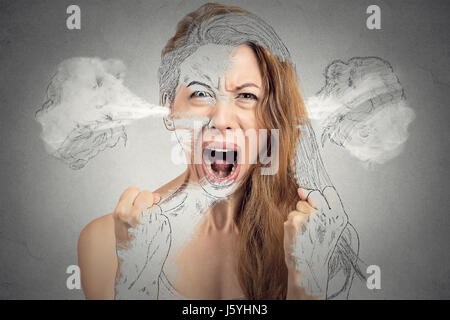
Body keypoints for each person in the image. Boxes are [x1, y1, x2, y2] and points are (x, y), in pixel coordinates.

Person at [78, 2, 362, 300]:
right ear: (170, 108)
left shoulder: (319, 238)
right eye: (200, 92)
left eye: (247, 95)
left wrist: (307, 279)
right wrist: (135, 285)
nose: (222, 120)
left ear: (273, 118)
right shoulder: (105, 243)